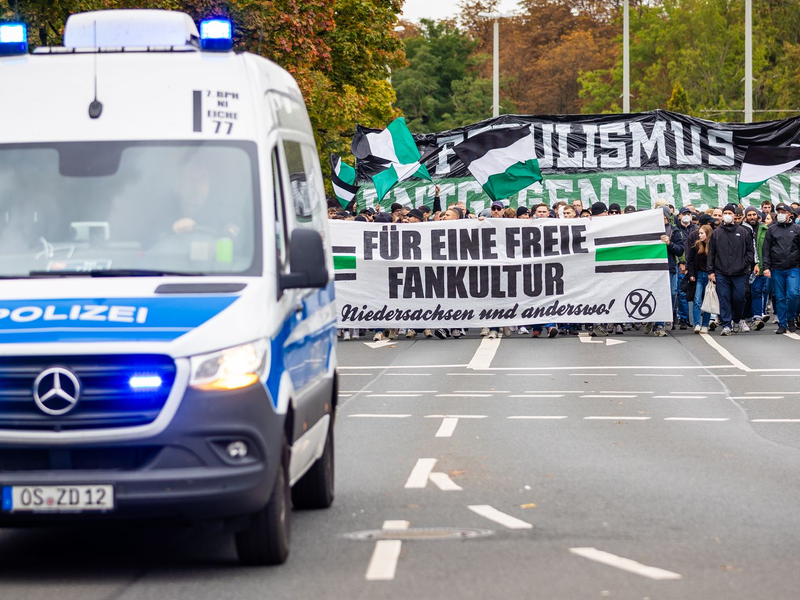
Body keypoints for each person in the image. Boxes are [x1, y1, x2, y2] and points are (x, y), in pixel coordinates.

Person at [707, 203, 755, 336]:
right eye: (725, 213)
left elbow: (750, 251)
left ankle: (737, 319)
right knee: (724, 298)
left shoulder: (743, 232)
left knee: (739, 298)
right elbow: (711, 253)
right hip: (721, 272)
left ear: (735, 215)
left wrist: (745, 264)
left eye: (730, 213)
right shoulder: (717, 233)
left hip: (740, 272)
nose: (727, 215)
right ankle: (726, 324)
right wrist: (711, 271)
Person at [643, 206, 685, 337]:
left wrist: (669, 243)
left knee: (671, 294)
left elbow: (680, 250)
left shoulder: (674, 231)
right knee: (656, 295)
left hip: (669, 268)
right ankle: (658, 323)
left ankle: (660, 320)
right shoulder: (650, 230)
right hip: (654, 269)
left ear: (666, 216)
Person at [762, 203, 800, 334]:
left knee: (793, 294)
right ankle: (782, 324)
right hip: (777, 268)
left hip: (794, 268)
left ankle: (791, 318)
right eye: (778, 212)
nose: (780, 214)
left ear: (789, 214)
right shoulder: (772, 229)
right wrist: (766, 267)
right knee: (780, 297)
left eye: (783, 212)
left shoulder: (796, 229)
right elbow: (766, 249)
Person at [686, 224, 713, 333]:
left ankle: (705, 324)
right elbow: (690, 260)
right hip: (699, 275)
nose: (699, 235)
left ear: (708, 234)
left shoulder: (713, 246)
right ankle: (697, 323)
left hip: (709, 276)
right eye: (699, 233)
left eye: (702, 233)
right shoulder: (696, 245)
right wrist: (691, 274)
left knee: (707, 301)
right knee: (697, 300)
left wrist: (713, 273)